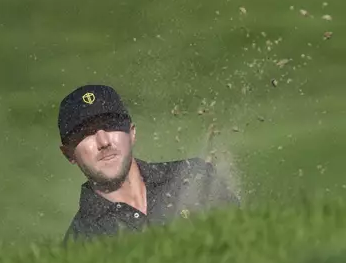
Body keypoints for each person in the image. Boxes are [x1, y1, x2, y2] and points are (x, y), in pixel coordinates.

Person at [57, 84, 240, 243]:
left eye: (111, 125)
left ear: (132, 133)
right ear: (69, 154)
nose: (104, 141)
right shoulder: (81, 242)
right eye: (85, 133)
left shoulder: (195, 178)